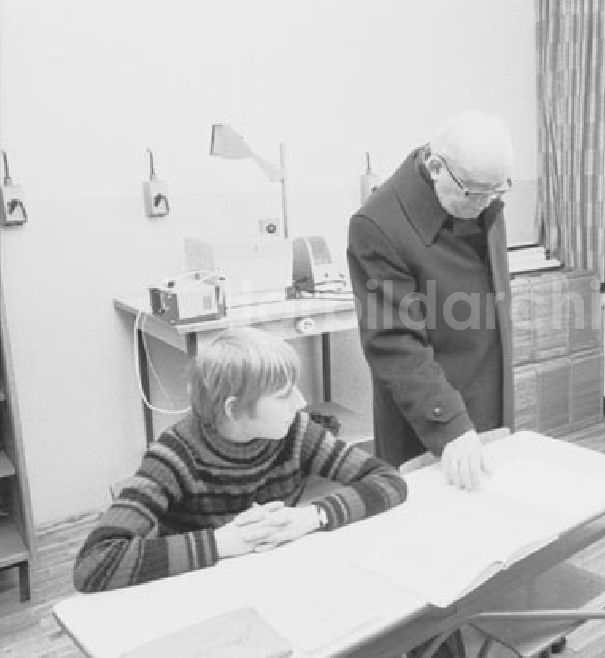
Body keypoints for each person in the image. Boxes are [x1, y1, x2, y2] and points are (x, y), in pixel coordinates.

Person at [73, 327, 407, 593]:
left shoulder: (296, 431)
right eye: (283, 395)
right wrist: (222, 542)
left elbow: (388, 480)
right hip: (204, 596)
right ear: (233, 409)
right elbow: (94, 564)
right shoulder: (175, 456)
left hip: (277, 584)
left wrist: (311, 517)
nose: (301, 401)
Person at [347, 110, 515, 491]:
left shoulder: (480, 192)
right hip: (428, 406)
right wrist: (449, 425)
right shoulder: (377, 225)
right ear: (436, 166)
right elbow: (394, 343)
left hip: (490, 386)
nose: (487, 202)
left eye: (498, 191)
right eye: (477, 192)